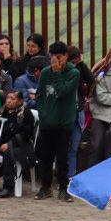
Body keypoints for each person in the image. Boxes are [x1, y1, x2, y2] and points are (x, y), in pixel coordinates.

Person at [34, 42, 84, 201]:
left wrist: (56, 72)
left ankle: (63, 188)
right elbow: (40, 95)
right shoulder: (45, 73)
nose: (56, 61)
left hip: (64, 122)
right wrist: (43, 113)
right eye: (53, 57)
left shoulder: (73, 73)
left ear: (66, 56)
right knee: (45, 157)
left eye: (59, 57)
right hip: (47, 122)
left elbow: (62, 91)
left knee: (62, 157)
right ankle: (45, 187)